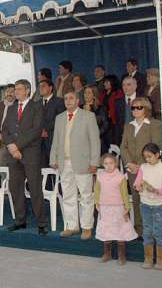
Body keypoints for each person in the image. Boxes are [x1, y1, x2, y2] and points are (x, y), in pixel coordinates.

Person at [50, 91, 100, 240]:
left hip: (83, 162)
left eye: (71, 98)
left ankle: (86, 227)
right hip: (64, 162)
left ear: (78, 100)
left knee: (86, 196)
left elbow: (95, 141)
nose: (68, 101)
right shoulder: (59, 118)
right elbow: (56, 140)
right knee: (68, 195)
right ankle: (72, 226)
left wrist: (94, 162)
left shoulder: (88, 116)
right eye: (65, 98)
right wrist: (53, 158)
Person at [2, 80, 47, 234]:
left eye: (19, 89)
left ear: (27, 90)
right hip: (14, 155)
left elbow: (36, 130)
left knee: (35, 188)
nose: (16, 92)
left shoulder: (36, 107)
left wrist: (17, 146)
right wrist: (11, 146)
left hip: (30, 154)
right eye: (15, 89)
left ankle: (41, 222)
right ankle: (20, 220)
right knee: (15, 188)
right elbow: (5, 129)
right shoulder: (12, 107)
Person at [120, 97, 162, 237]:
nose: (136, 110)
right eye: (133, 108)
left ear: (146, 108)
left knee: (150, 199)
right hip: (132, 169)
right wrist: (129, 163)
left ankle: (153, 230)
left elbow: (156, 146)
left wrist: (142, 166)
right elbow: (123, 147)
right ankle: (140, 229)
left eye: (139, 107)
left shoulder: (155, 124)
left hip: (149, 168)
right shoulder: (128, 125)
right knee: (137, 199)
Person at [134, 143, 162, 270]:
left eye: (150, 156)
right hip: (145, 204)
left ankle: (161, 259)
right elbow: (136, 184)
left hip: (158, 205)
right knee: (147, 231)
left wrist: (155, 190)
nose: (147, 159)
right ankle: (148, 258)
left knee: (158, 231)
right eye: (145, 157)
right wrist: (138, 186)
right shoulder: (143, 167)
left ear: (157, 155)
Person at [95, 153, 137, 264]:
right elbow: (97, 191)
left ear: (116, 164)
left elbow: (124, 193)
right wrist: (97, 202)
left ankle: (121, 256)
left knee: (120, 230)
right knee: (106, 230)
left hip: (118, 207)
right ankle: (107, 254)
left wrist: (127, 207)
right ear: (102, 165)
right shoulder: (100, 176)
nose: (109, 166)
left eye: (111, 163)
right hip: (105, 207)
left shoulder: (120, 177)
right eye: (106, 163)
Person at [39, 79, 65, 167]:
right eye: (40, 86)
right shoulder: (36, 104)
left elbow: (60, 119)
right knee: (43, 168)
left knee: (56, 167)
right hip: (39, 141)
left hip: (53, 139)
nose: (41, 88)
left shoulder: (59, 101)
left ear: (50, 88)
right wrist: (39, 131)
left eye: (43, 86)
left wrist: (45, 129)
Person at [0, 84, 16, 166]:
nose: (9, 94)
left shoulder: (19, 105)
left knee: (15, 165)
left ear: (16, 93)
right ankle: (3, 179)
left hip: (14, 142)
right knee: (2, 165)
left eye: (12, 92)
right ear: (4, 93)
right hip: (0, 141)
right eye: (7, 92)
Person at [82, 86, 109, 154]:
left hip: (97, 141)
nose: (86, 95)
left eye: (89, 93)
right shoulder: (79, 108)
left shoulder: (101, 108)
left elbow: (105, 125)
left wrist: (94, 135)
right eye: (85, 93)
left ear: (94, 95)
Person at [113, 76, 139, 145]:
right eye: (123, 85)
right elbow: (118, 124)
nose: (125, 87)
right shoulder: (118, 102)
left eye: (128, 84)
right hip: (124, 138)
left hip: (140, 136)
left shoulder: (143, 99)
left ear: (135, 86)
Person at [101, 75, 124, 146]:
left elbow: (119, 108)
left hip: (114, 122)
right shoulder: (103, 93)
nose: (105, 84)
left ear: (113, 82)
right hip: (104, 121)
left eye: (107, 82)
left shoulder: (119, 92)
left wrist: (111, 112)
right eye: (104, 82)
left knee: (114, 142)